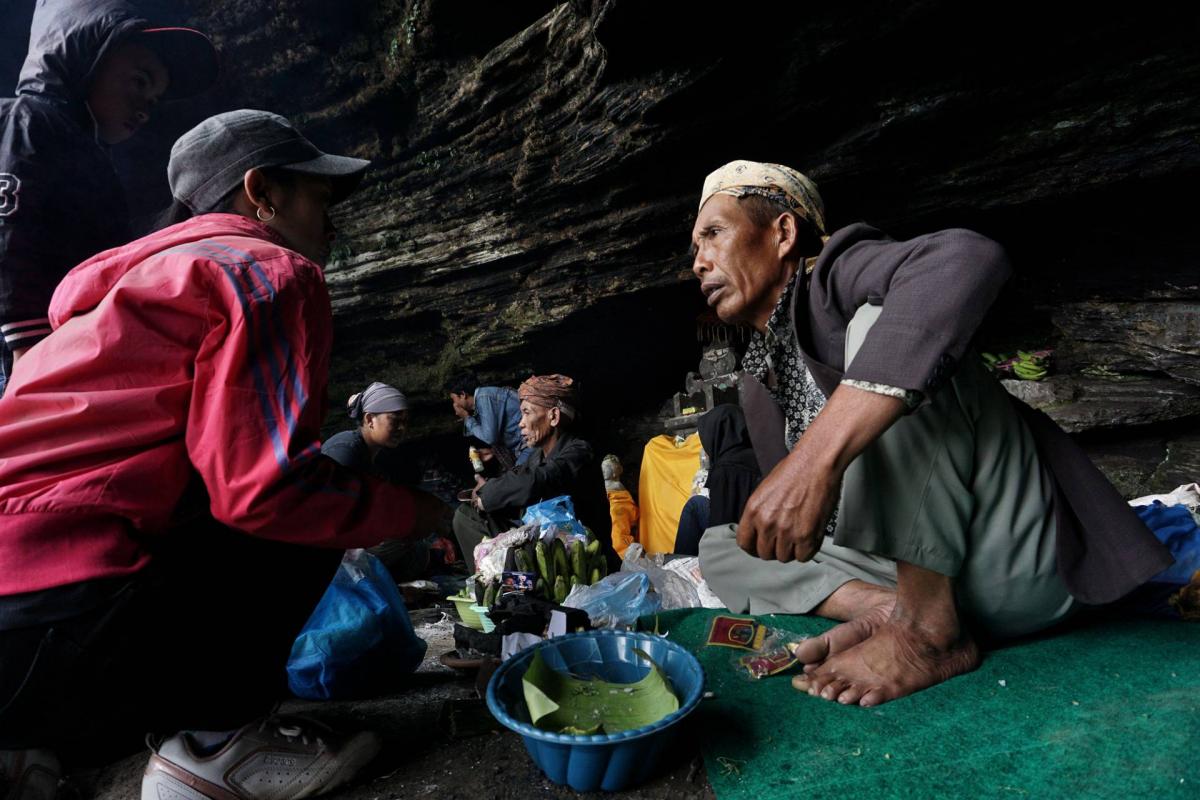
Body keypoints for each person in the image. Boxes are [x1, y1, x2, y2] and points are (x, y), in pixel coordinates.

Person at [0, 109, 445, 800]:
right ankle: (219, 746)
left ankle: (22, 754)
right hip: (64, 636)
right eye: (320, 200)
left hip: (16, 659)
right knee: (332, 479)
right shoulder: (265, 271)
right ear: (261, 190)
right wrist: (413, 514)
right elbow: (262, 490)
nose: (332, 225)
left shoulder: (106, 301)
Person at [690, 160, 1171, 708]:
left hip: (1008, 557)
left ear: (782, 233)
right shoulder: (758, 381)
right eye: (695, 249)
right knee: (723, 542)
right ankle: (883, 610)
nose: (699, 262)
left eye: (712, 234)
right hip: (908, 572)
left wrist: (812, 461)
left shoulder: (834, 276)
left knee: (881, 332)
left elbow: (966, 258)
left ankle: (927, 632)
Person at [0, 0, 219, 397]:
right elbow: (10, 235)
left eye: (153, 100)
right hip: (23, 361)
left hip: (61, 355)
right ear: (87, 56)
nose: (145, 110)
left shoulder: (89, 153)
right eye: (139, 81)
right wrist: (25, 350)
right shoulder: (28, 120)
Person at [451, 374, 608, 572]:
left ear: (554, 416)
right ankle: (488, 579)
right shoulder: (536, 456)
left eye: (527, 413)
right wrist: (484, 491)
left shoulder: (579, 451)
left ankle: (511, 584)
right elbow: (516, 478)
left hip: (576, 556)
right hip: (541, 544)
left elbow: (539, 480)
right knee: (467, 516)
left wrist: (488, 494)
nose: (521, 423)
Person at [674, 404, 762, 556]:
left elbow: (720, 527)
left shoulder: (726, 469)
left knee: (694, 505)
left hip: (740, 541)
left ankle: (681, 564)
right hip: (757, 529)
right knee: (699, 504)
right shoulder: (758, 456)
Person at [446, 372, 532, 470]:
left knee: (518, 479)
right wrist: (492, 452)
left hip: (531, 444)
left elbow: (490, 438)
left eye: (454, 399)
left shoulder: (484, 397)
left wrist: (467, 418)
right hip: (523, 446)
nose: (454, 404)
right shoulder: (482, 401)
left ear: (462, 395)